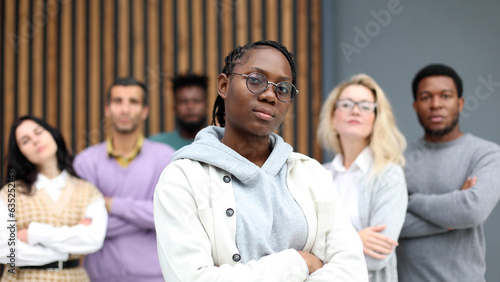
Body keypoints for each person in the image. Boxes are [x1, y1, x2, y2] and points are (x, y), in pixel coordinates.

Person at [154, 40, 368, 281]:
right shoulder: (182, 179)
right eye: (256, 80)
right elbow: (193, 278)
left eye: (283, 88)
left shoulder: (312, 175)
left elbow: (352, 271)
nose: (269, 95)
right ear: (224, 85)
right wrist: (298, 263)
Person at [397, 64, 500, 281]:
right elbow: (390, 224)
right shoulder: (397, 158)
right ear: (415, 105)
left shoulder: (487, 154)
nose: (436, 105)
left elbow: (472, 212)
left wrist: (410, 200)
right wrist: (451, 217)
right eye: (426, 97)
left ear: (460, 103)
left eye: (445, 96)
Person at [74, 77, 175, 281]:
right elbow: (84, 224)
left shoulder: (165, 157)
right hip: (100, 276)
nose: (125, 109)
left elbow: (171, 216)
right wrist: (149, 215)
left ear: (145, 111)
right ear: (107, 109)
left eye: (133, 102)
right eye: (118, 101)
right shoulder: (85, 161)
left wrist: (110, 205)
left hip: (154, 276)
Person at [317, 74, 407, 282]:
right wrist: (355, 239)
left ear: (376, 118)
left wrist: (319, 253)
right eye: (347, 104)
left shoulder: (388, 176)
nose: (355, 110)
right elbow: (298, 244)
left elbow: (377, 258)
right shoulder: (318, 175)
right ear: (333, 117)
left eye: (366, 106)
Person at [0, 115, 107, 281]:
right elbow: (5, 250)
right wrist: (68, 247)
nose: (35, 140)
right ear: (20, 153)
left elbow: (93, 239)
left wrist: (34, 234)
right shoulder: (10, 193)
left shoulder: (88, 191)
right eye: (25, 140)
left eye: (38, 132)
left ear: (52, 135)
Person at [149, 73, 209, 149]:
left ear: (206, 105)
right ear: (174, 107)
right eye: (183, 101)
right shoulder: (155, 145)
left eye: (196, 101)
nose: (190, 106)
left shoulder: (220, 142)